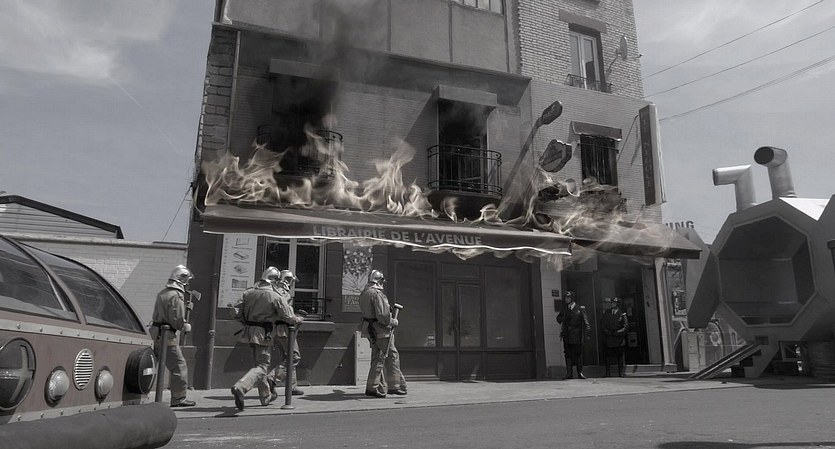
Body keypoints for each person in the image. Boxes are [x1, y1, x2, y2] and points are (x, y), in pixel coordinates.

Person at [230, 266, 303, 410]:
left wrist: (246, 322)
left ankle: (265, 396)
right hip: (264, 333)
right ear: (275, 280)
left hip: (248, 332)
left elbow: (235, 312)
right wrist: (298, 319)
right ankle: (241, 387)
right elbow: (287, 316)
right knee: (262, 366)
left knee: (258, 365)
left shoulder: (248, 292)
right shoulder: (274, 295)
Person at [151, 265, 196, 407]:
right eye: (187, 280)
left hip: (155, 332)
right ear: (181, 279)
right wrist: (184, 325)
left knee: (151, 363)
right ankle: (178, 398)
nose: (187, 283)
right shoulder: (176, 295)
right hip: (167, 335)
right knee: (179, 366)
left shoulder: (162, 293)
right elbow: (176, 319)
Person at [359, 269, 407, 398]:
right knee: (392, 356)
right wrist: (393, 321)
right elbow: (383, 315)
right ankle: (395, 386)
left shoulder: (364, 293)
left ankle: (372, 387)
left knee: (377, 357)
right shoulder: (377, 293)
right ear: (379, 280)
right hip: (380, 331)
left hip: (369, 330)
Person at [268, 269, 304, 396]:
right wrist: (296, 319)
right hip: (284, 329)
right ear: (287, 280)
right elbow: (284, 313)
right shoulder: (284, 293)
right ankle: (272, 377)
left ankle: (291, 386)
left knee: (287, 357)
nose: (292, 284)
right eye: (291, 281)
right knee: (294, 357)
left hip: (276, 329)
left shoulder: (274, 290)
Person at [559, 290, 591, 379]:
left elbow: (586, 322)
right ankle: (569, 373)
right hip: (567, 335)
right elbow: (558, 318)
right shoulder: (565, 308)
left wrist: (586, 335)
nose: (566, 299)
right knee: (567, 354)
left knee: (578, 354)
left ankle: (580, 372)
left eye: (568, 297)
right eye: (566, 297)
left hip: (577, 336)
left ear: (572, 298)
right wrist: (562, 318)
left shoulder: (580, 308)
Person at [601, 297, 629, 377]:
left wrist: (617, 332)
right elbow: (603, 325)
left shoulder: (622, 313)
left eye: (614, 303)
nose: (612, 304)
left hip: (618, 338)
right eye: (612, 302)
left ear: (618, 304)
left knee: (620, 356)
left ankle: (621, 372)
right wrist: (607, 332)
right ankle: (607, 372)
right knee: (607, 356)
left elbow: (626, 327)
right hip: (609, 337)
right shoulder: (607, 312)